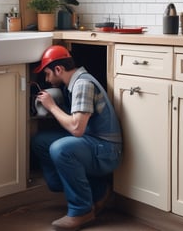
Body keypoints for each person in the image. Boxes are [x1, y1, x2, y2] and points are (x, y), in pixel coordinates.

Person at [31, 45, 123, 230]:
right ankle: (98, 191)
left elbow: (76, 129)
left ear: (59, 69)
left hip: (105, 150)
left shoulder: (82, 84)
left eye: (47, 74)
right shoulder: (71, 85)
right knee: (41, 142)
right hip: (92, 143)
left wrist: (51, 107)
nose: (47, 79)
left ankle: (82, 211)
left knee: (60, 149)